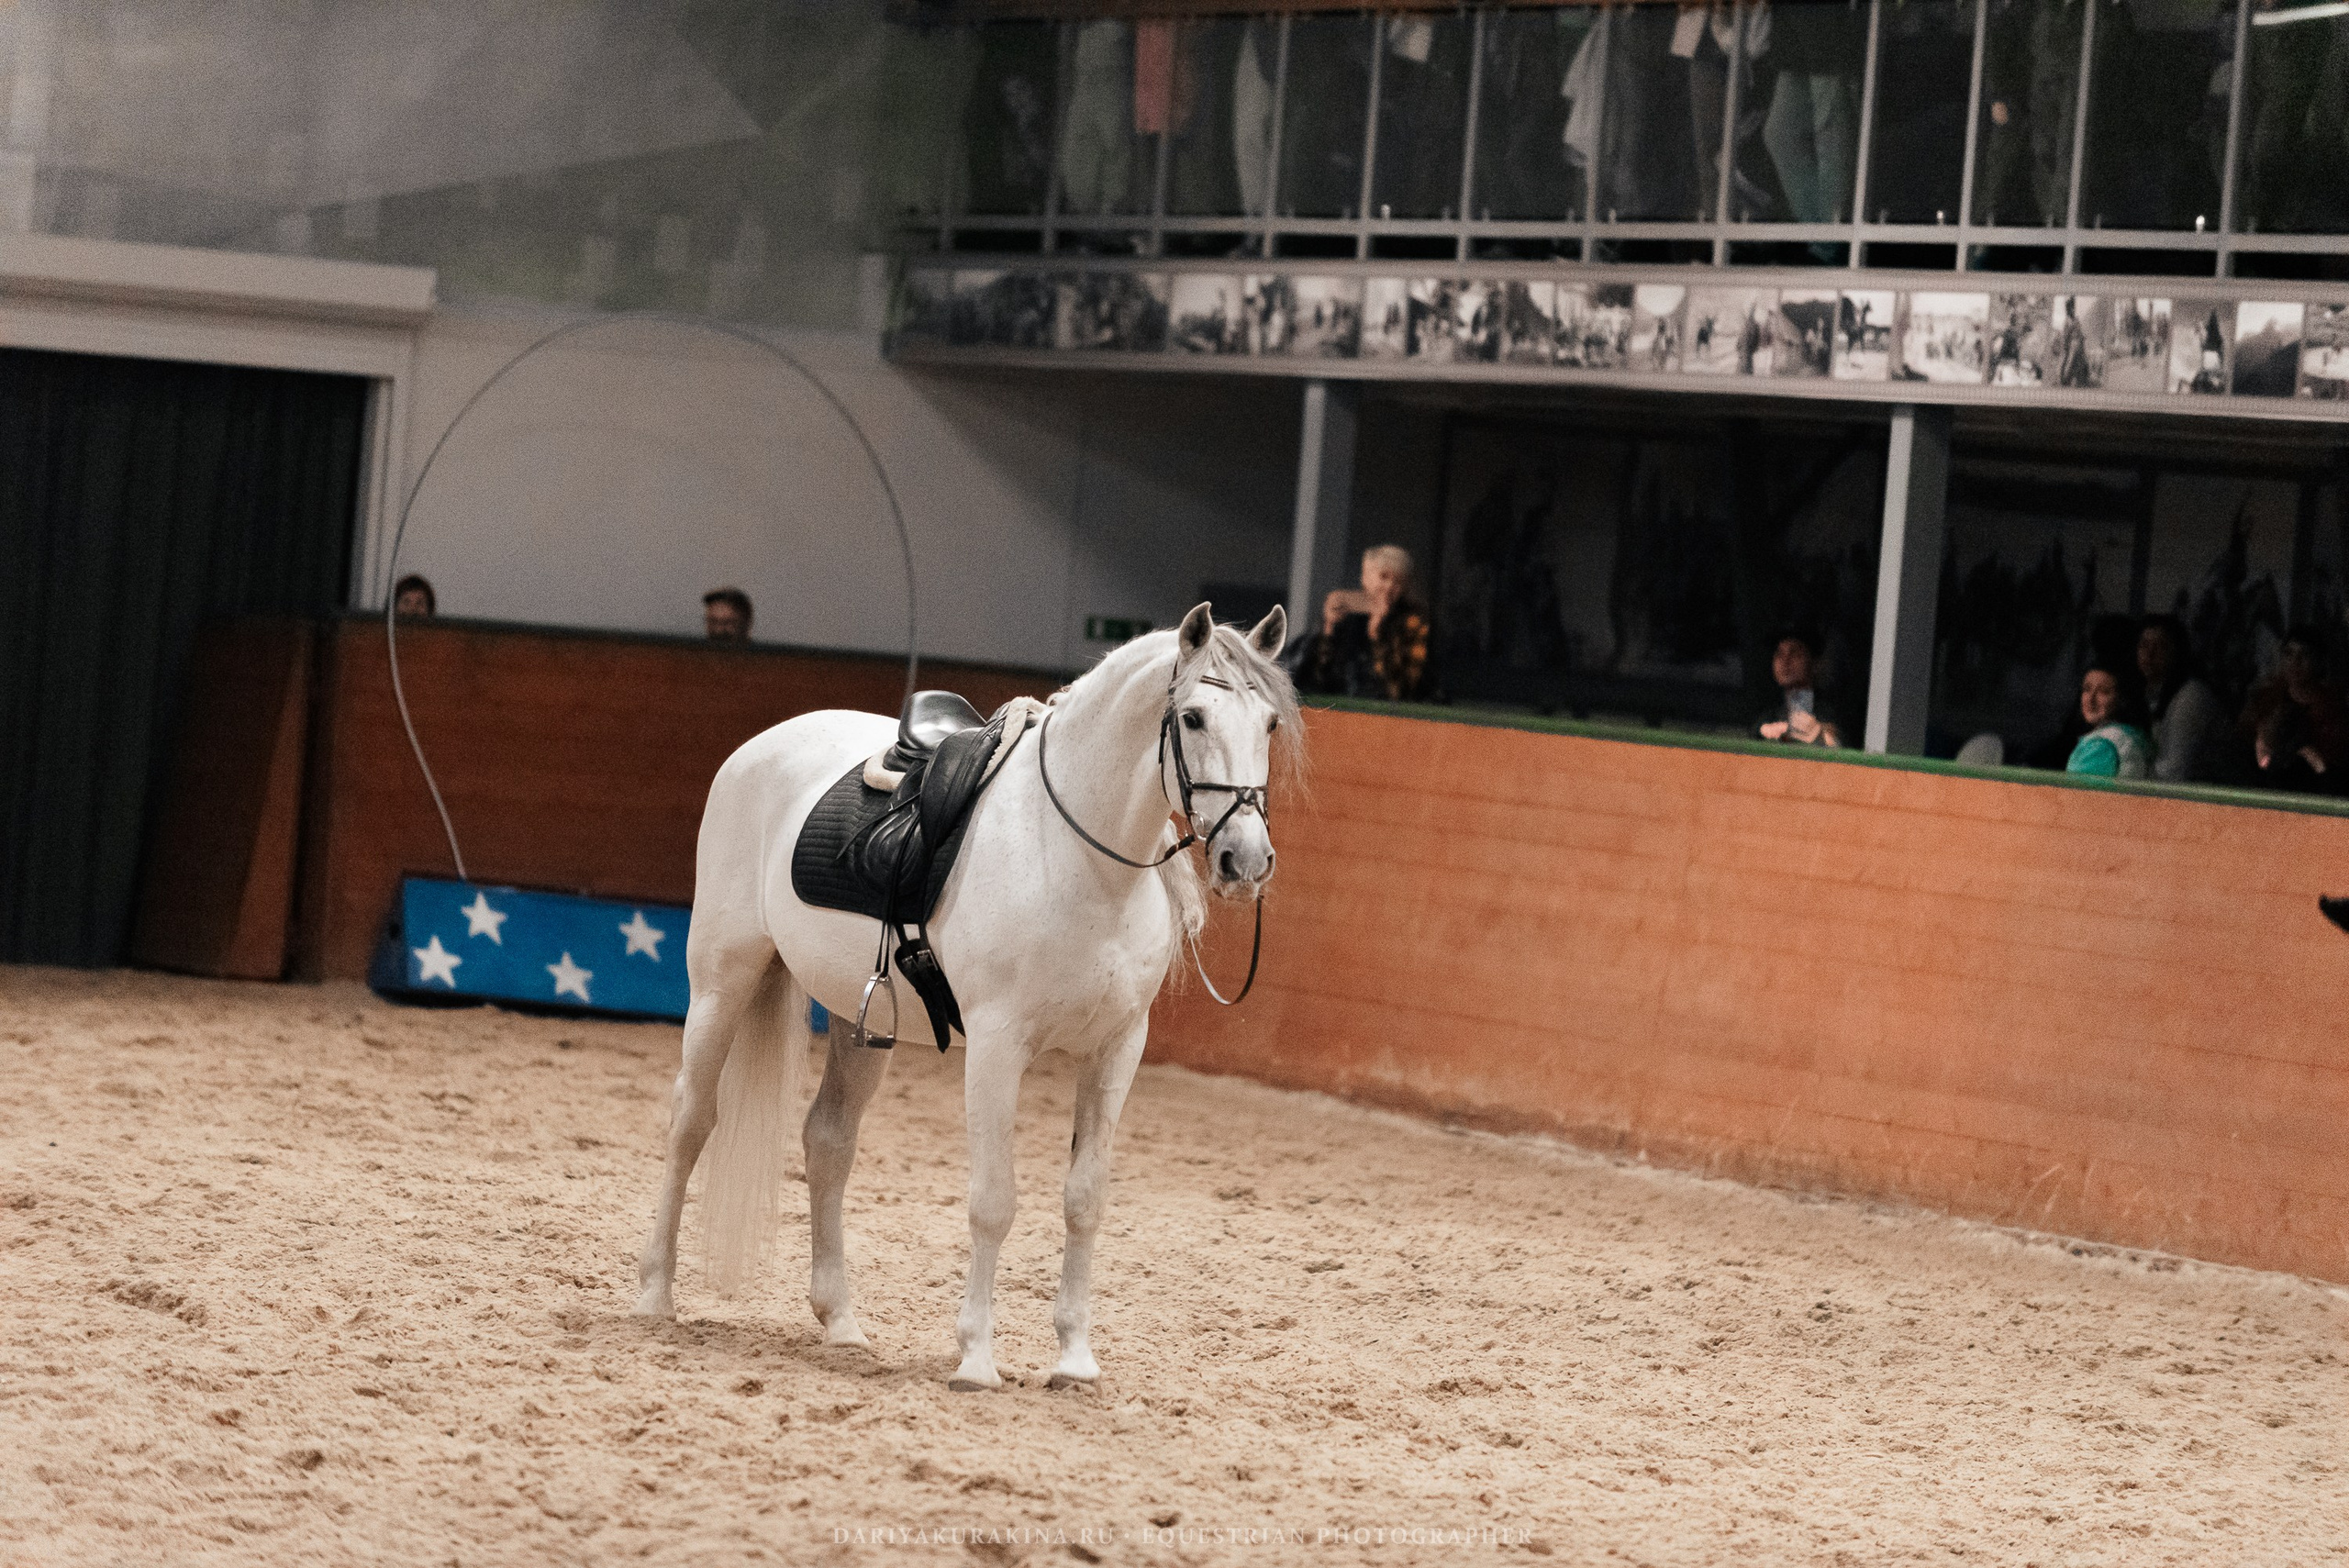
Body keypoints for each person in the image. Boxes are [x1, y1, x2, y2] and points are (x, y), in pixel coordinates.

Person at [1298, 545, 1432, 702]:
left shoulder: (1413, 621)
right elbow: (1316, 679)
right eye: (1384, 577)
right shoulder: (1347, 614)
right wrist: (1328, 629)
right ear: (1365, 578)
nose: (1389, 587)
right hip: (1340, 708)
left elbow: (1401, 691)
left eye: (1398, 582)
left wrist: (1378, 635)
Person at [2238, 626, 2349, 791]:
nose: (2295, 662)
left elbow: (2333, 763)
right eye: (2289, 654)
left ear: (2318, 661)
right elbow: (2243, 740)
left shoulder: (2333, 707)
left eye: (2304, 655)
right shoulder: (2265, 698)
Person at [2137, 615, 2227, 784]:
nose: (2150, 654)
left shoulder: (2192, 697)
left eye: (2161, 646)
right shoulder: (2143, 694)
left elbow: (2175, 770)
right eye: (2144, 645)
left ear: (2176, 651)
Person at [1756, 627, 1842, 747]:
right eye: (1779, 654)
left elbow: (1840, 745)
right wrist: (1762, 731)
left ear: (1814, 663)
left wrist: (1821, 737)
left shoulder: (1831, 711)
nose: (1785, 661)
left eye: (1794, 653)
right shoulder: (1768, 714)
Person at [2065, 663, 2153, 779]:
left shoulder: (2100, 745)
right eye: (2087, 689)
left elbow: (2075, 795)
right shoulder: (2134, 736)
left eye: (2104, 691)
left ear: (2121, 699)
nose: (2091, 699)